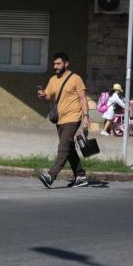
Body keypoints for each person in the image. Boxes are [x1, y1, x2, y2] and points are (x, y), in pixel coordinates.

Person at [36, 52, 90, 188]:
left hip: (73, 117)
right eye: (54, 64)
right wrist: (43, 95)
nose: (56, 66)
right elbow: (48, 95)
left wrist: (86, 117)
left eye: (58, 64)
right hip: (60, 119)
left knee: (63, 147)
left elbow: (83, 98)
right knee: (69, 148)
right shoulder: (53, 79)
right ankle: (81, 176)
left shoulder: (75, 78)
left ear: (66, 64)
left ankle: (51, 176)